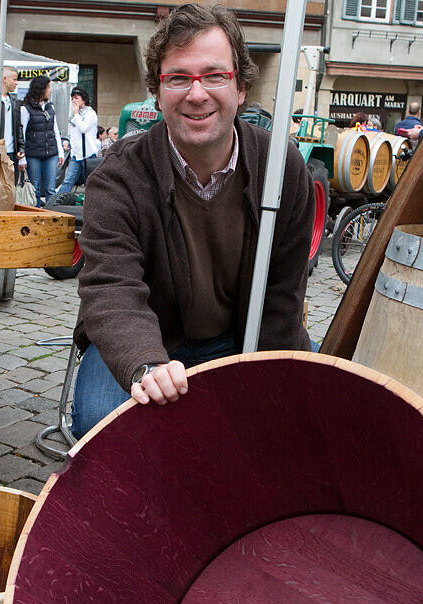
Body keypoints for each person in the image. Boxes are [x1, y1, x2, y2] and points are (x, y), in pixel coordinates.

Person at [70, 3, 314, 438]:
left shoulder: (282, 168)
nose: (196, 93)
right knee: (105, 426)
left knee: (304, 413)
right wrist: (146, 363)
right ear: (158, 91)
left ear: (240, 88)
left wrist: (271, 392)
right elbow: (112, 289)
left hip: (238, 339)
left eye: (215, 75)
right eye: (179, 78)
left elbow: (281, 296)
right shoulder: (119, 177)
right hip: (146, 342)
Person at [19, 75, 63, 207]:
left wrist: (60, 151)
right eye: (48, 87)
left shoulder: (50, 107)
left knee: (51, 189)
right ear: (41, 89)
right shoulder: (26, 108)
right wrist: (23, 157)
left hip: (51, 152)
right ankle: (37, 214)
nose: (50, 90)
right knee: (35, 188)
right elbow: (22, 133)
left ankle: (51, 214)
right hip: (33, 154)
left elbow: (55, 130)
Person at [57, 86, 99, 193]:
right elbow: (74, 133)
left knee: (91, 182)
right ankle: (57, 202)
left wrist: (76, 114)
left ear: (83, 99)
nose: (74, 101)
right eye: (72, 99)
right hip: (76, 154)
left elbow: (83, 128)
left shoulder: (90, 113)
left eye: (76, 98)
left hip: (89, 154)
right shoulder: (73, 116)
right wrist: (67, 142)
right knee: (68, 180)